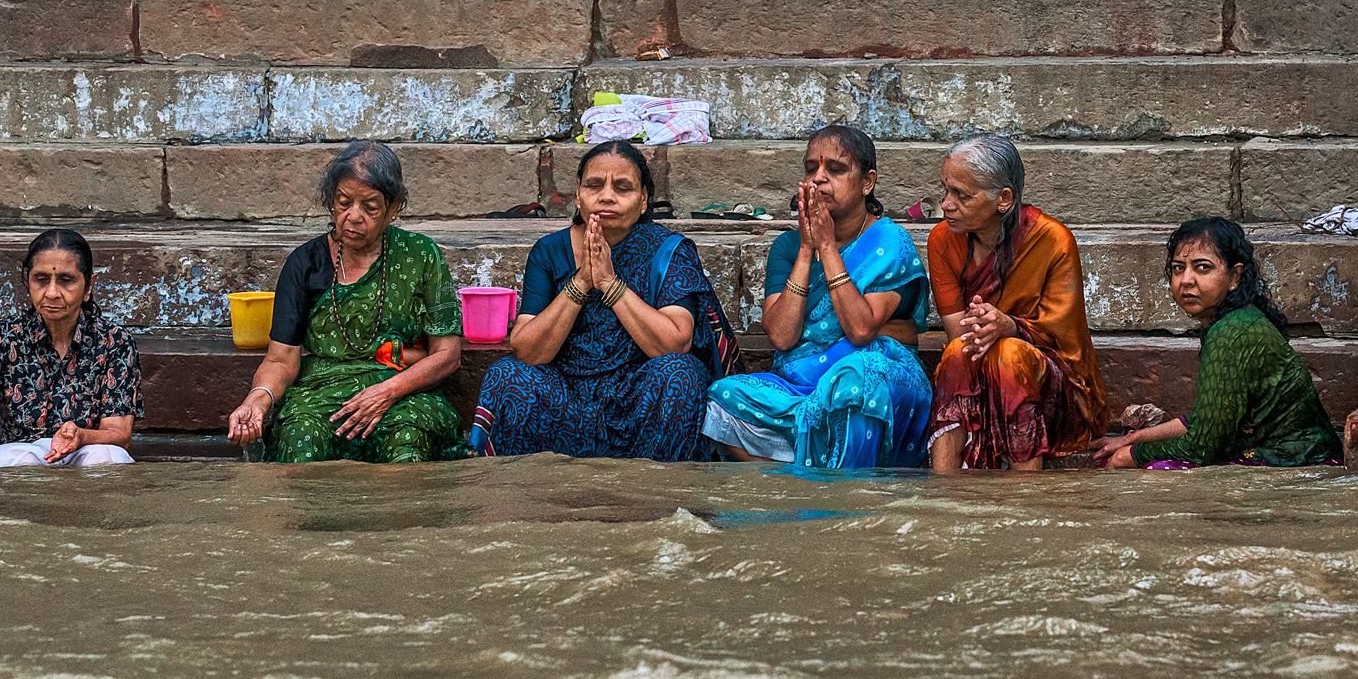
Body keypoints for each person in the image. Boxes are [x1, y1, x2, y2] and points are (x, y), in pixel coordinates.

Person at [469, 140, 737, 460]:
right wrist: (582, 280)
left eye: (622, 187)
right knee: (507, 374)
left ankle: (660, 499)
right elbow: (526, 349)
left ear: (643, 201)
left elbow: (675, 343)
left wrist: (610, 284)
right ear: (579, 196)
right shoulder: (550, 251)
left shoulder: (669, 251)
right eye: (594, 185)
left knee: (681, 373)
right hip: (563, 399)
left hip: (638, 399)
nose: (606, 196)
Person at [702, 126, 932, 468]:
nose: (819, 178)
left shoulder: (889, 242)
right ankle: (802, 479)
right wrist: (808, 250)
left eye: (836, 170)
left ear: (867, 182)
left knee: (855, 379)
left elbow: (860, 331)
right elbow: (782, 336)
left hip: (874, 379)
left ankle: (839, 486)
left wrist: (829, 245)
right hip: (801, 386)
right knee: (723, 398)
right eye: (812, 169)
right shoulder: (787, 247)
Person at [226, 142, 465, 463]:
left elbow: (447, 355)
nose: (354, 217)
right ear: (331, 203)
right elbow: (281, 360)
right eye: (344, 203)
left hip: (402, 393)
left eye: (370, 206)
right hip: (318, 392)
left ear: (393, 209)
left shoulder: (422, 256)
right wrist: (257, 400)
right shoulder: (305, 264)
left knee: (407, 444)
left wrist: (388, 391)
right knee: (300, 441)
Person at [1096, 216, 1343, 469]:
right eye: (1178, 268)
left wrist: (1130, 455)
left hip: (1299, 461)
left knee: (1150, 468)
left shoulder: (1231, 332)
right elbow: (1208, 418)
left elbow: (1202, 447)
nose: (1186, 280)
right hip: (1299, 453)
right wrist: (1134, 437)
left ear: (1235, 276)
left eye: (1202, 268)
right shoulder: (1233, 320)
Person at [926, 133, 1108, 473]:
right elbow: (958, 333)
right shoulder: (942, 240)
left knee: (1010, 354)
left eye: (961, 195)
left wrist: (1009, 326)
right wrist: (985, 327)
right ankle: (943, 490)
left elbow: (1066, 344)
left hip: (1053, 388)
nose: (947, 204)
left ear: (1004, 199)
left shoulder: (1053, 240)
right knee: (956, 352)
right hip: (977, 366)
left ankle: (1026, 492)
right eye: (946, 190)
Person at [0, 229, 140, 468]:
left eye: (66, 280)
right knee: (3, 462)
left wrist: (81, 436)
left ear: (88, 285)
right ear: (28, 280)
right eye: (41, 279)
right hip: (20, 451)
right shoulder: (4, 336)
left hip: (86, 450)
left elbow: (119, 433)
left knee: (107, 458)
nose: (51, 293)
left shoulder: (115, 341)